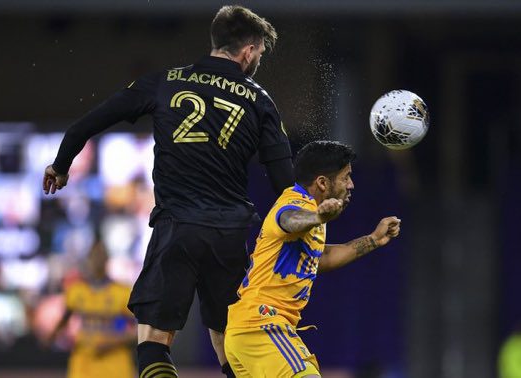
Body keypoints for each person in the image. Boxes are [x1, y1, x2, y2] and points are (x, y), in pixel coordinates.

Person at [42, 5, 294, 377]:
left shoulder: (165, 81)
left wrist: (61, 165)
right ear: (249, 51)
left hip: (177, 228)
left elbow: (88, 123)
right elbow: (286, 185)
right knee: (231, 344)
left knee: (154, 338)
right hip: (229, 235)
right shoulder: (260, 100)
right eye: (259, 53)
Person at [224, 141, 401, 377]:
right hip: (262, 325)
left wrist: (373, 240)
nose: (351, 185)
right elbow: (288, 221)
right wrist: (317, 216)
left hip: (249, 330)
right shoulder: (295, 204)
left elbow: (322, 257)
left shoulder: (311, 215)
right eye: (346, 177)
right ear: (322, 183)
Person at [46, 241, 136, 378]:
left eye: (101, 255)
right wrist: (52, 337)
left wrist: (115, 340)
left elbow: (140, 329)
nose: (97, 260)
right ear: (88, 259)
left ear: (107, 259)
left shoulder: (122, 292)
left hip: (114, 362)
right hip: (84, 362)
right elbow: (65, 319)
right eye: (94, 255)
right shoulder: (77, 291)